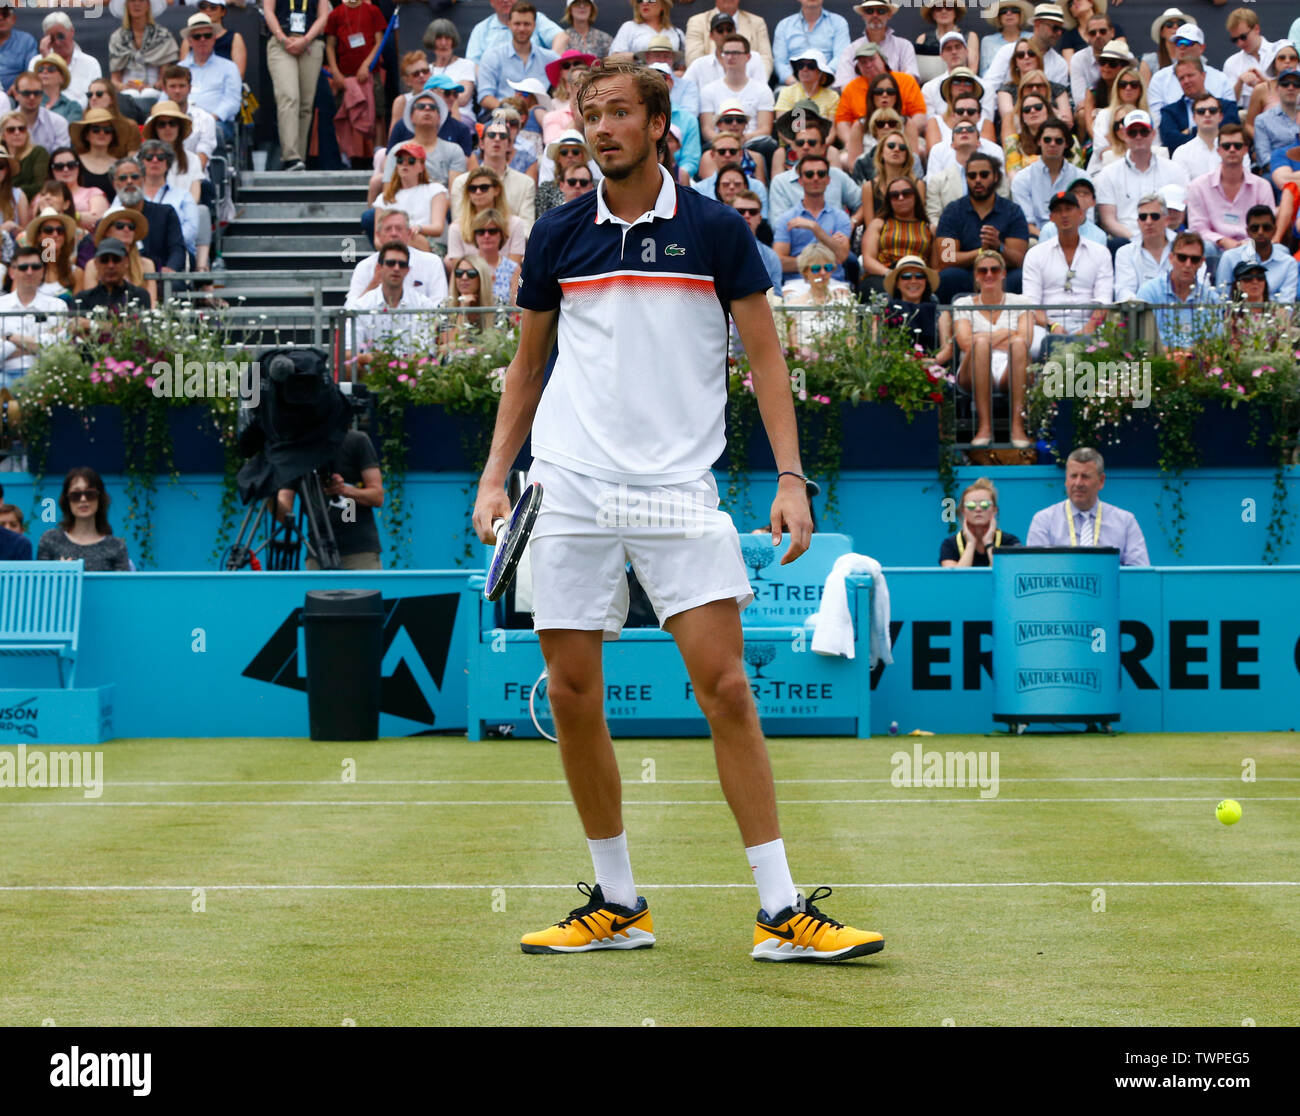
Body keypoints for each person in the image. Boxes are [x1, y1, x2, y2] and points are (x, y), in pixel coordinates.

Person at [473, 59, 883, 962]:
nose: (604, 129)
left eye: (621, 113)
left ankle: (781, 913)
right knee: (574, 694)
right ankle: (617, 902)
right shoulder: (557, 235)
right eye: (592, 116)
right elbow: (527, 365)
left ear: (662, 125)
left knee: (726, 687)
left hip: (677, 489)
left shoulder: (715, 232)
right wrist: (496, 475)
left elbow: (768, 361)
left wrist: (790, 478)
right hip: (569, 484)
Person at [951, 248, 1033, 447]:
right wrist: (1007, 332)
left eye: (994, 270)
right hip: (973, 368)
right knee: (979, 345)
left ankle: (1017, 426)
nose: (989, 275)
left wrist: (982, 336)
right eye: (983, 271)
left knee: (1018, 344)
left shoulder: (1021, 301)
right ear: (976, 276)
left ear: (1004, 273)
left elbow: (1025, 338)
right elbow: (964, 342)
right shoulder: (963, 303)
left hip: (1011, 366)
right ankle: (984, 427)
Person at [277, 429, 385, 570]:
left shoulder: (356, 440)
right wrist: (267, 496)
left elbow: (377, 496)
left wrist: (343, 490)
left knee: (366, 592)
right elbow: (283, 514)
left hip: (359, 552)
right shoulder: (296, 450)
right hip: (317, 552)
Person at [1025, 447, 1150, 565]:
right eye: (1073, 476)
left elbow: (1138, 574)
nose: (1078, 483)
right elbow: (1035, 570)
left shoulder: (1125, 522)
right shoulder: (1044, 521)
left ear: (1101, 481)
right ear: (1066, 480)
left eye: (1085, 477)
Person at [933, 151, 1028, 302]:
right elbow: (947, 258)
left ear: (995, 177)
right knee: (947, 277)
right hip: (967, 274)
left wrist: (998, 247)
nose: (978, 180)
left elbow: (1019, 259)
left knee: (1021, 277)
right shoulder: (953, 211)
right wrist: (981, 251)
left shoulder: (1012, 211)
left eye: (984, 175)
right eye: (972, 176)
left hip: (1002, 274)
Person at [1022, 189, 1112, 344]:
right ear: (1051, 218)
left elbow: (1103, 301)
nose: (1064, 215)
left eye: (1069, 209)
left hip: (1089, 323)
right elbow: (1031, 304)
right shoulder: (1035, 254)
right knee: (1035, 344)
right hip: (1047, 325)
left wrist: (1088, 329)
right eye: (1058, 211)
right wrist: (1053, 326)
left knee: (1104, 345)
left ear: (1080, 214)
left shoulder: (1100, 253)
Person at [1095, 110, 1188, 249]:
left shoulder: (1174, 170)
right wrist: (1137, 238)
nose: (1138, 136)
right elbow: (1108, 220)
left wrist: (1158, 237)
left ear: (1153, 134)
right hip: (1126, 241)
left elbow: (1181, 213)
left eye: (1144, 131)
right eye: (1133, 132)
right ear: (1124, 135)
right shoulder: (1109, 173)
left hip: (1167, 239)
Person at [1185, 124, 1272, 269]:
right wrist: (1222, 240)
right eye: (1226, 146)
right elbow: (1197, 228)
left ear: (1245, 150)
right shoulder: (1198, 185)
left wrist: (1248, 243)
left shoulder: (1262, 186)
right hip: (1215, 248)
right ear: (1218, 150)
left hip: (1252, 246)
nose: (1232, 150)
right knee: (1203, 247)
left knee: (1279, 251)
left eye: (1237, 146)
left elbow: (1268, 225)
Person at [344, 240, 437, 372]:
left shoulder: (423, 304)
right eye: (390, 263)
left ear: (407, 270)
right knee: (349, 366)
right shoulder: (361, 305)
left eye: (402, 264)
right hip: (373, 371)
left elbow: (427, 352)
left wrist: (399, 364)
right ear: (379, 268)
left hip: (411, 371)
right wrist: (372, 358)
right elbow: (348, 353)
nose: (396, 268)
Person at [263, 0, 331, 172]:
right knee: (289, 96)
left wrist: (307, 39)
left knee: (306, 105)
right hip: (281, 43)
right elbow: (268, 11)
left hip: (311, 43)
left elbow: (323, 15)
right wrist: (282, 38)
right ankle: (290, 156)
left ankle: (299, 159)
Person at [1134, 229, 1221, 352]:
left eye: (1194, 259)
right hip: (1159, 363)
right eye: (1182, 257)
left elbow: (1216, 342)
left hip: (1198, 364)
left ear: (1202, 263)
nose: (1187, 264)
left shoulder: (1211, 298)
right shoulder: (1149, 292)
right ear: (1171, 258)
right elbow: (1141, 340)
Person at [772, 152, 851, 281]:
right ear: (800, 180)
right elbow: (779, 262)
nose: (815, 178)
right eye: (809, 174)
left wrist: (815, 228)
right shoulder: (786, 219)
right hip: (797, 283)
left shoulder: (840, 217)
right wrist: (820, 263)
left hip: (834, 282)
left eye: (821, 174)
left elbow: (841, 256)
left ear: (828, 180)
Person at [346, 207, 448, 306]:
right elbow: (349, 311)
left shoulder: (432, 262)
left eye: (399, 229)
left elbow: (440, 306)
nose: (394, 234)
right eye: (388, 229)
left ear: (408, 233)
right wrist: (374, 283)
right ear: (378, 235)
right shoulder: (364, 266)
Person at [37, 467, 131, 571]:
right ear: (67, 501)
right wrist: (60, 576)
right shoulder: (50, 540)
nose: (83, 499)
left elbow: (121, 587)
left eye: (90, 494)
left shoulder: (117, 546)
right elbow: (40, 583)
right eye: (75, 495)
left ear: (100, 499)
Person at [479, 2, 558, 116]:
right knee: (499, 130)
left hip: (538, 117)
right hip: (501, 113)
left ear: (534, 25)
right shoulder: (492, 56)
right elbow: (485, 97)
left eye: (526, 24)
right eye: (517, 24)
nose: (522, 28)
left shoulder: (549, 58)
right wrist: (510, 112)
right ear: (509, 24)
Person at [0, 245, 67, 381]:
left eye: (35, 267)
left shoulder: (57, 305)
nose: (29, 272)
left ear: (42, 271)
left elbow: (56, 350)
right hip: (4, 376)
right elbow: (46, 347)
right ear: (12, 272)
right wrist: (36, 345)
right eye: (23, 267)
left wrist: (9, 338)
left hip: (46, 376)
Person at [447, 166, 526, 275]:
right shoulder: (456, 228)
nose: (478, 192)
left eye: (484, 187)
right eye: (472, 188)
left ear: (497, 190)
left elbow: (513, 268)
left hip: (505, 284)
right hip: (472, 284)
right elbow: (460, 272)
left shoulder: (515, 224)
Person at [138, 137, 204, 269]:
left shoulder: (183, 196)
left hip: (173, 254)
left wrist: (165, 241)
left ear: (167, 164)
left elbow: (191, 231)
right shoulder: (130, 195)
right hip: (136, 255)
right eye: (149, 157)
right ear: (141, 163)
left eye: (161, 157)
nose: (155, 161)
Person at [108, 0, 180, 119]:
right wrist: (124, 86)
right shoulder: (117, 37)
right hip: (127, 89)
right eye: (132, 1)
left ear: (148, 5)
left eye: (141, 0)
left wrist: (151, 86)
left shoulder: (162, 35)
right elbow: (114, 80)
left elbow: (165, 77)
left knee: (149, 94)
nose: (136, 4)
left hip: (154, 90)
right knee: (127, 96)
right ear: (126, 5)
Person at [860, 174, 930, 293]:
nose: (901, 198)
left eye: (906, 193)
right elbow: (868, 260)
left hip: (917, 275)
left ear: (915, 196)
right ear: (889, 200)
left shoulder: (929, 228)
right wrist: (892, 275)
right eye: (894, 195)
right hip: (884, 273)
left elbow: (939, 264)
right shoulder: (878, 224)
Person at [180, 13, 243, 145]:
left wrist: (209, 119)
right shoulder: (179, 69)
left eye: (207, 36)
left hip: (217, 122)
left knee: (209, 130)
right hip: (182, 122)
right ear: (190, 41)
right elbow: (165, 99)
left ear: (214, 38)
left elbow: (232, 102)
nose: (203, 40)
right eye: (197, 37)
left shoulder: (229, 67)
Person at [375, 139, 448, 253]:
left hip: (429, 245)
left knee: (413, 237)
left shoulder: (436, 190)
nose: (404, 164)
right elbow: (377, 239)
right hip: (392, 247)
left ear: (422, 166)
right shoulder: (384, 198)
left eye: (411, 160)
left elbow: (438, 228)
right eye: (400, 160)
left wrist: (418, 228)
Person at [1009, 115, 1077, 235]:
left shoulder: (1080, 177)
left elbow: (1086, 220)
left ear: (1066, 144)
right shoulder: (1022, 179)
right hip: (1036, 238)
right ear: (1039, 141)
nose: (1052, 144)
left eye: (1058, 140)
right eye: (1047, 139)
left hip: (1074, 237)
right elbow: (1026, 223)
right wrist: (1048, 241)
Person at [1146, 23, 1233, 117]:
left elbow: (1229, 115)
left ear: (1201, 48)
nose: (1182, 47)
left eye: (1187, 42)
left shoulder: (1221, 79)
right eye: (1178, 43)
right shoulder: (1159, 79)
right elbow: (1156, 118)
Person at [1158, 59, 1240, 158]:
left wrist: (1191, 131)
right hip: (1185, 160)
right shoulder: (1169, 111)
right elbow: (1171, 141)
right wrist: (1209, 131)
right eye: (1181, 78)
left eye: (1190, 75)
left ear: (1203, 75)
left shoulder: (1227, 107)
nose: (1186, 81)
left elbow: (1230, 134)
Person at [881, 254, 953, 364]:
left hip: (932, 370)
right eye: (906, 276)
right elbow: (878, 347)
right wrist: (905, 362)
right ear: (897, 284)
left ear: (926, 282)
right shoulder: (884, 311)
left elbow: (947, 350)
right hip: (893, 369)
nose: (913, 281)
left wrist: (930, 363)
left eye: (919, 276)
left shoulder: (941, 313)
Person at [1216, 206, 1297, 301]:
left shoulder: (1288, 263)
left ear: (1274, 230)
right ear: (1247, 231)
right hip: (1237, 314)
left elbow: (1287, 304)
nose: (1260, 232)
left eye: (1266, 228)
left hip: (1276, 315)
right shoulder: (1229, 258)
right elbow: (1223, 298)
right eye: (1255, 228)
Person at [80, 206, 157, 307]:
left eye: (131, 226)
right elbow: (93, 304)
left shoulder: (147, 264)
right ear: (107, 231)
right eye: (120, 225)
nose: (126, 229)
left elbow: (150, 305)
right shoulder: (92, 265)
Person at [780, 241, 853, 346]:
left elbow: (851, 344)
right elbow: (794, 348)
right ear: (805, 271)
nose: (823, 273)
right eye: (816, 269)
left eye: (827, 268)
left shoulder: (845, 302)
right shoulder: (793, 306)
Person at [836, 1, 918, 91]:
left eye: (881, 11)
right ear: (863, 15)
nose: (875, 15)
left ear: (889, 15)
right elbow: (845, 86)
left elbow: (911, 81)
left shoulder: (904, 46)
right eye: (869, 11)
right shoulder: (851, 50)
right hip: (861, 102)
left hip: (897, 100)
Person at [940, 478, 1021, 567]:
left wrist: (989, 543)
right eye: (971, 505)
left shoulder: (1010, 542)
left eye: (984, 505)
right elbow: (957, 579)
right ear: (963, 511)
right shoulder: (950, 544)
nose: (978, 509)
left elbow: (1008, 574)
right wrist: (970, 544)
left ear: (994, 510)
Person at [774, 0, 852, 87]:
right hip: (792, 83)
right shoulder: (784, 25)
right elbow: (780, 62)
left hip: (827, 83)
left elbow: (841, 57)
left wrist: (822, 78)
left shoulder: (838, 22)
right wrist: (794, 82)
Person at [70, 105, 140, 201]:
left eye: (107, 130)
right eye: (96, 130)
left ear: (112, 135)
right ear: (86, 135)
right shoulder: (74, 163)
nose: (102, 133)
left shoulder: (120, 165)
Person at [1114, 192, 1176, 300]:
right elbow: (1124, 291)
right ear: (1138, 222)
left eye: (1154, 216)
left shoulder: (1183, 248)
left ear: (1166, 220)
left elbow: (1199, 284)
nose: (1148, 222)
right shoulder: (1125, 253)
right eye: (1143, 217)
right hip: (1140, 313)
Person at [685, 2, 772, 77]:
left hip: (749, 85)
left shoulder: (757, 22)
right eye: (720, 30)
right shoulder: (697, 22)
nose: (725, 34)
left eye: (729, 30)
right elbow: (693, 60)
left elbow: (765, 58)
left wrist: (747, 83)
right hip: (710, 86)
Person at [38, 13, 101, 111]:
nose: (57, 42)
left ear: (71, 31)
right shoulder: (37, 62)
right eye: (52, 39)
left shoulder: (90, 63)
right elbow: (34, 96)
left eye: (60, 36)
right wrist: (47, 60)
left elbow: (97, 98)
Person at [424, 19, 477, 126]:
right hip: (430, 118)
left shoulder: (466, 65)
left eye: (447, 38)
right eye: (439, 38)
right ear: (432, 41)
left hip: (462, 118)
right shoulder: (426, 70)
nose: (443, 43)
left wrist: (436, 94)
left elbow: (463, 98)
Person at [440, 253, 500, 349]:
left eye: (471, 273)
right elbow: (447, 347)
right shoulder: (446, 305)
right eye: (459, 273)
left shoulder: (496, 303)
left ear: (482, 277)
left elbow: (497, 344)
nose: (464, 278)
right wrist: (463, 310)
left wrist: (465, 349)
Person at [1253, 51, 1300, 173]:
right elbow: (1264, 158)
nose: (1291, 87)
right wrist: (1287, 173)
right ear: (1277, 89)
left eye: (1296, 84)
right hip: (1277, 172)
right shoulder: (1262, 120)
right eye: (1285, 84)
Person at [23, 205, 82, 297]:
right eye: (48, 230)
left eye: (60, 230)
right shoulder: (26, 270)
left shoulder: (76, 273)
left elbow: (78, 308)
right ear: (39, 237)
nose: (55, 234)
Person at [180, 1, 248, 79]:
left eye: (213, 7)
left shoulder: (234, 37)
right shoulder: (187, 40)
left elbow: (239, 74)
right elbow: (183, 73)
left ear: (223, 11)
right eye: (203, 6)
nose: (208, 10)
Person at [48, 144, 107, 233]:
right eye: (59, 167)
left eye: (71, 165)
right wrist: (78, 217)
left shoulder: (93, 193)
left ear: (78, 167)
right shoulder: (42, 196)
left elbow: (98, 221)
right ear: (52, 171)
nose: (65, 170)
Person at [732, 189, 781, 293]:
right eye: (740, 211)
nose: (747, 215)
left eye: (753, 212)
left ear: (759, 218)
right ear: (730, 214)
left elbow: (776, 296)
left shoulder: (771, 256)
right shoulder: (714, 249)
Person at [1169, 91, 1223, 179]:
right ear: (1194, 118)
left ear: (1220, 116)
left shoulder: (1235, 149)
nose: (1207, 114)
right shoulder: (1182, 153)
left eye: (1212, 110)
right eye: (1201, 111)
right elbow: (1182, 189)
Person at [917, 2, 980, 69]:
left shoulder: (970, 36)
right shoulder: (922, 39)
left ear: (955, 13)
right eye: (939, 8)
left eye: (949, 7)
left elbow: (973, 69)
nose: (944, 11)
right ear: (933, 14)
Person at [980, 0, 1033, 79]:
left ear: (1021, 15)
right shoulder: (987, 41)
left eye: (1014, 10)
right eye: (1003, 11)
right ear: (998, 17)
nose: (1009, 13)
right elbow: (984, 73)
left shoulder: (1032, 38)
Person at [3, 112, 48, 201]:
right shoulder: (1, 154)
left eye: (22, 129)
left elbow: (40, 186)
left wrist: (11, 192)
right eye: (11, 130)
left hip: (30, 202)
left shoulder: (38, 152)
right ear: (3, 134)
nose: (17, 133)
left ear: (27, 132)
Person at [31, 54, 82, 126]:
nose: (44, 71)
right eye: (41, 69)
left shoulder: (72, 107)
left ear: (62, 78)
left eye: (51, 69)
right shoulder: (30, 102)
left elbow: (69, 133)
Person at [0, 5, 38, 93]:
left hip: (13, 95)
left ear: (13, 19)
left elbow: (31, 72)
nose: (0, 18)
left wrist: (18, 85)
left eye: (5, 14)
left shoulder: (26, 41)